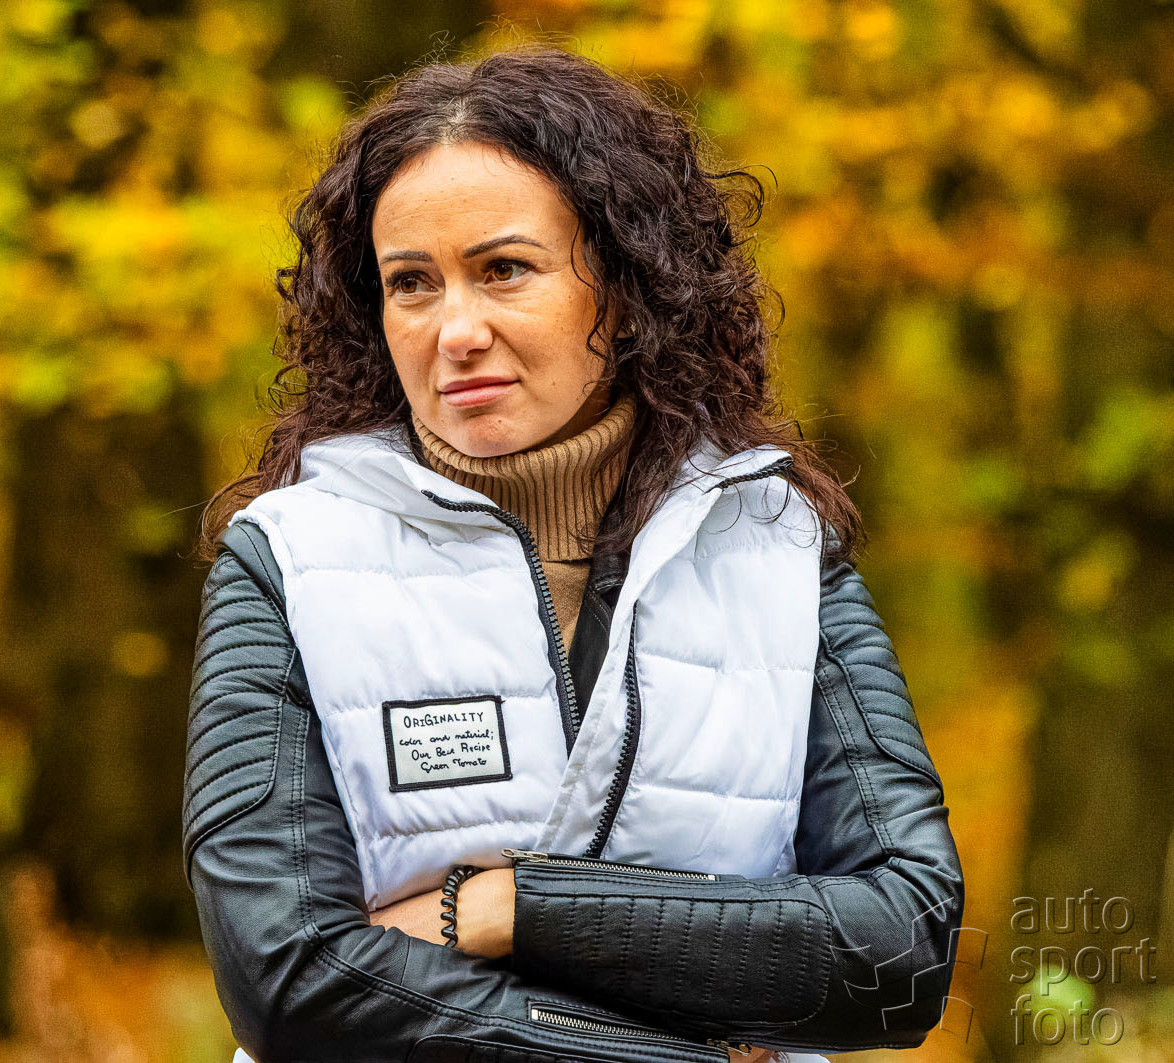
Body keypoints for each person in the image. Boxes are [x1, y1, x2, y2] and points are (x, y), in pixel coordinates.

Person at [181, 44, 964, 1063]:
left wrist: (503, 906)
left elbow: (900, 949)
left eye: (503, 270)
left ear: (625, 287)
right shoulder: (288, 561)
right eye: (411, 283)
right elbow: (285, 981)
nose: (454, 330)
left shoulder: (774, 546)